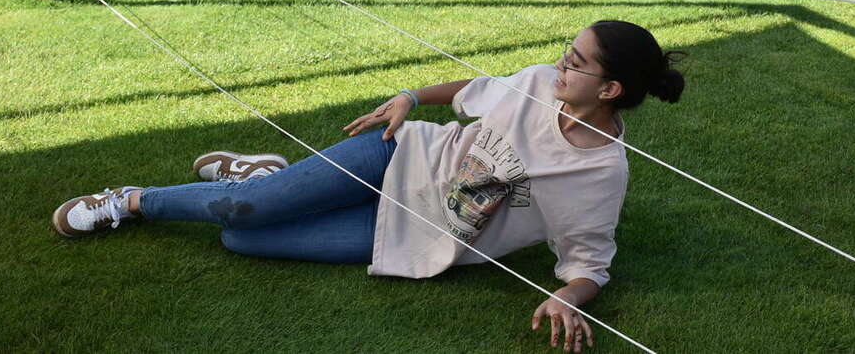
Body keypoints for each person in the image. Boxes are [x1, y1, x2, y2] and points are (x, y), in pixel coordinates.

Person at [52, 20, 685, 350]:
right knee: (246, 211)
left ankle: (265, 171)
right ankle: (130, 201)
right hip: (397, 158)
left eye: (576, 64)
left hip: (421, 234)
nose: (560, 66)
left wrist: (567, 299)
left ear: (610, 90)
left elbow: (588, 260)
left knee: (241, 242)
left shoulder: (598, 173)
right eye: (566, 52)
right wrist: (408, 96)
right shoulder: (538, 80)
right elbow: (465, 94)